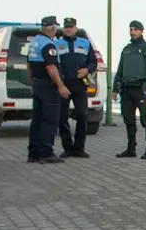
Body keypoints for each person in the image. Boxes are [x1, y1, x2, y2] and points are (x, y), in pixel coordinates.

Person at [26, 16, 71, 164]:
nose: (55, 30)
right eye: (55, 27)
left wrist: (31, 81)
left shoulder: (34, 42)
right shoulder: (48, 45)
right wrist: (61, 86)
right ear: (51, 28)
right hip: (48, 86)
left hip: (38, 84)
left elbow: (29, 65)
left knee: (37, 120)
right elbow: (51, 67)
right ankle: (46, 152)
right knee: (50, 119)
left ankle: (34, 153)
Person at [113, 20, 146, 160]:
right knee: (128, 119)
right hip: (126, 90)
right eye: (131, 29)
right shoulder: (127, 49)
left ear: (141, 31)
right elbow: (120, 70)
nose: (132, 32)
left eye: (135, 30)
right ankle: (131, 148)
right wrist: (115, 88)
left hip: (140, 89)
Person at [55, 17, 96, 159]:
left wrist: (87, 70)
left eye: (71, 27)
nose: (68, 29)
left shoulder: (85, 43)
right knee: (62, 118)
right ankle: (67, 148)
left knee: (82, 116)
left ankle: (79, 148)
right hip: (63, 84)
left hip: (80, 85)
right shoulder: (56, 43)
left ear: (75, 28)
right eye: (66, 27)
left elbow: (93, 62)